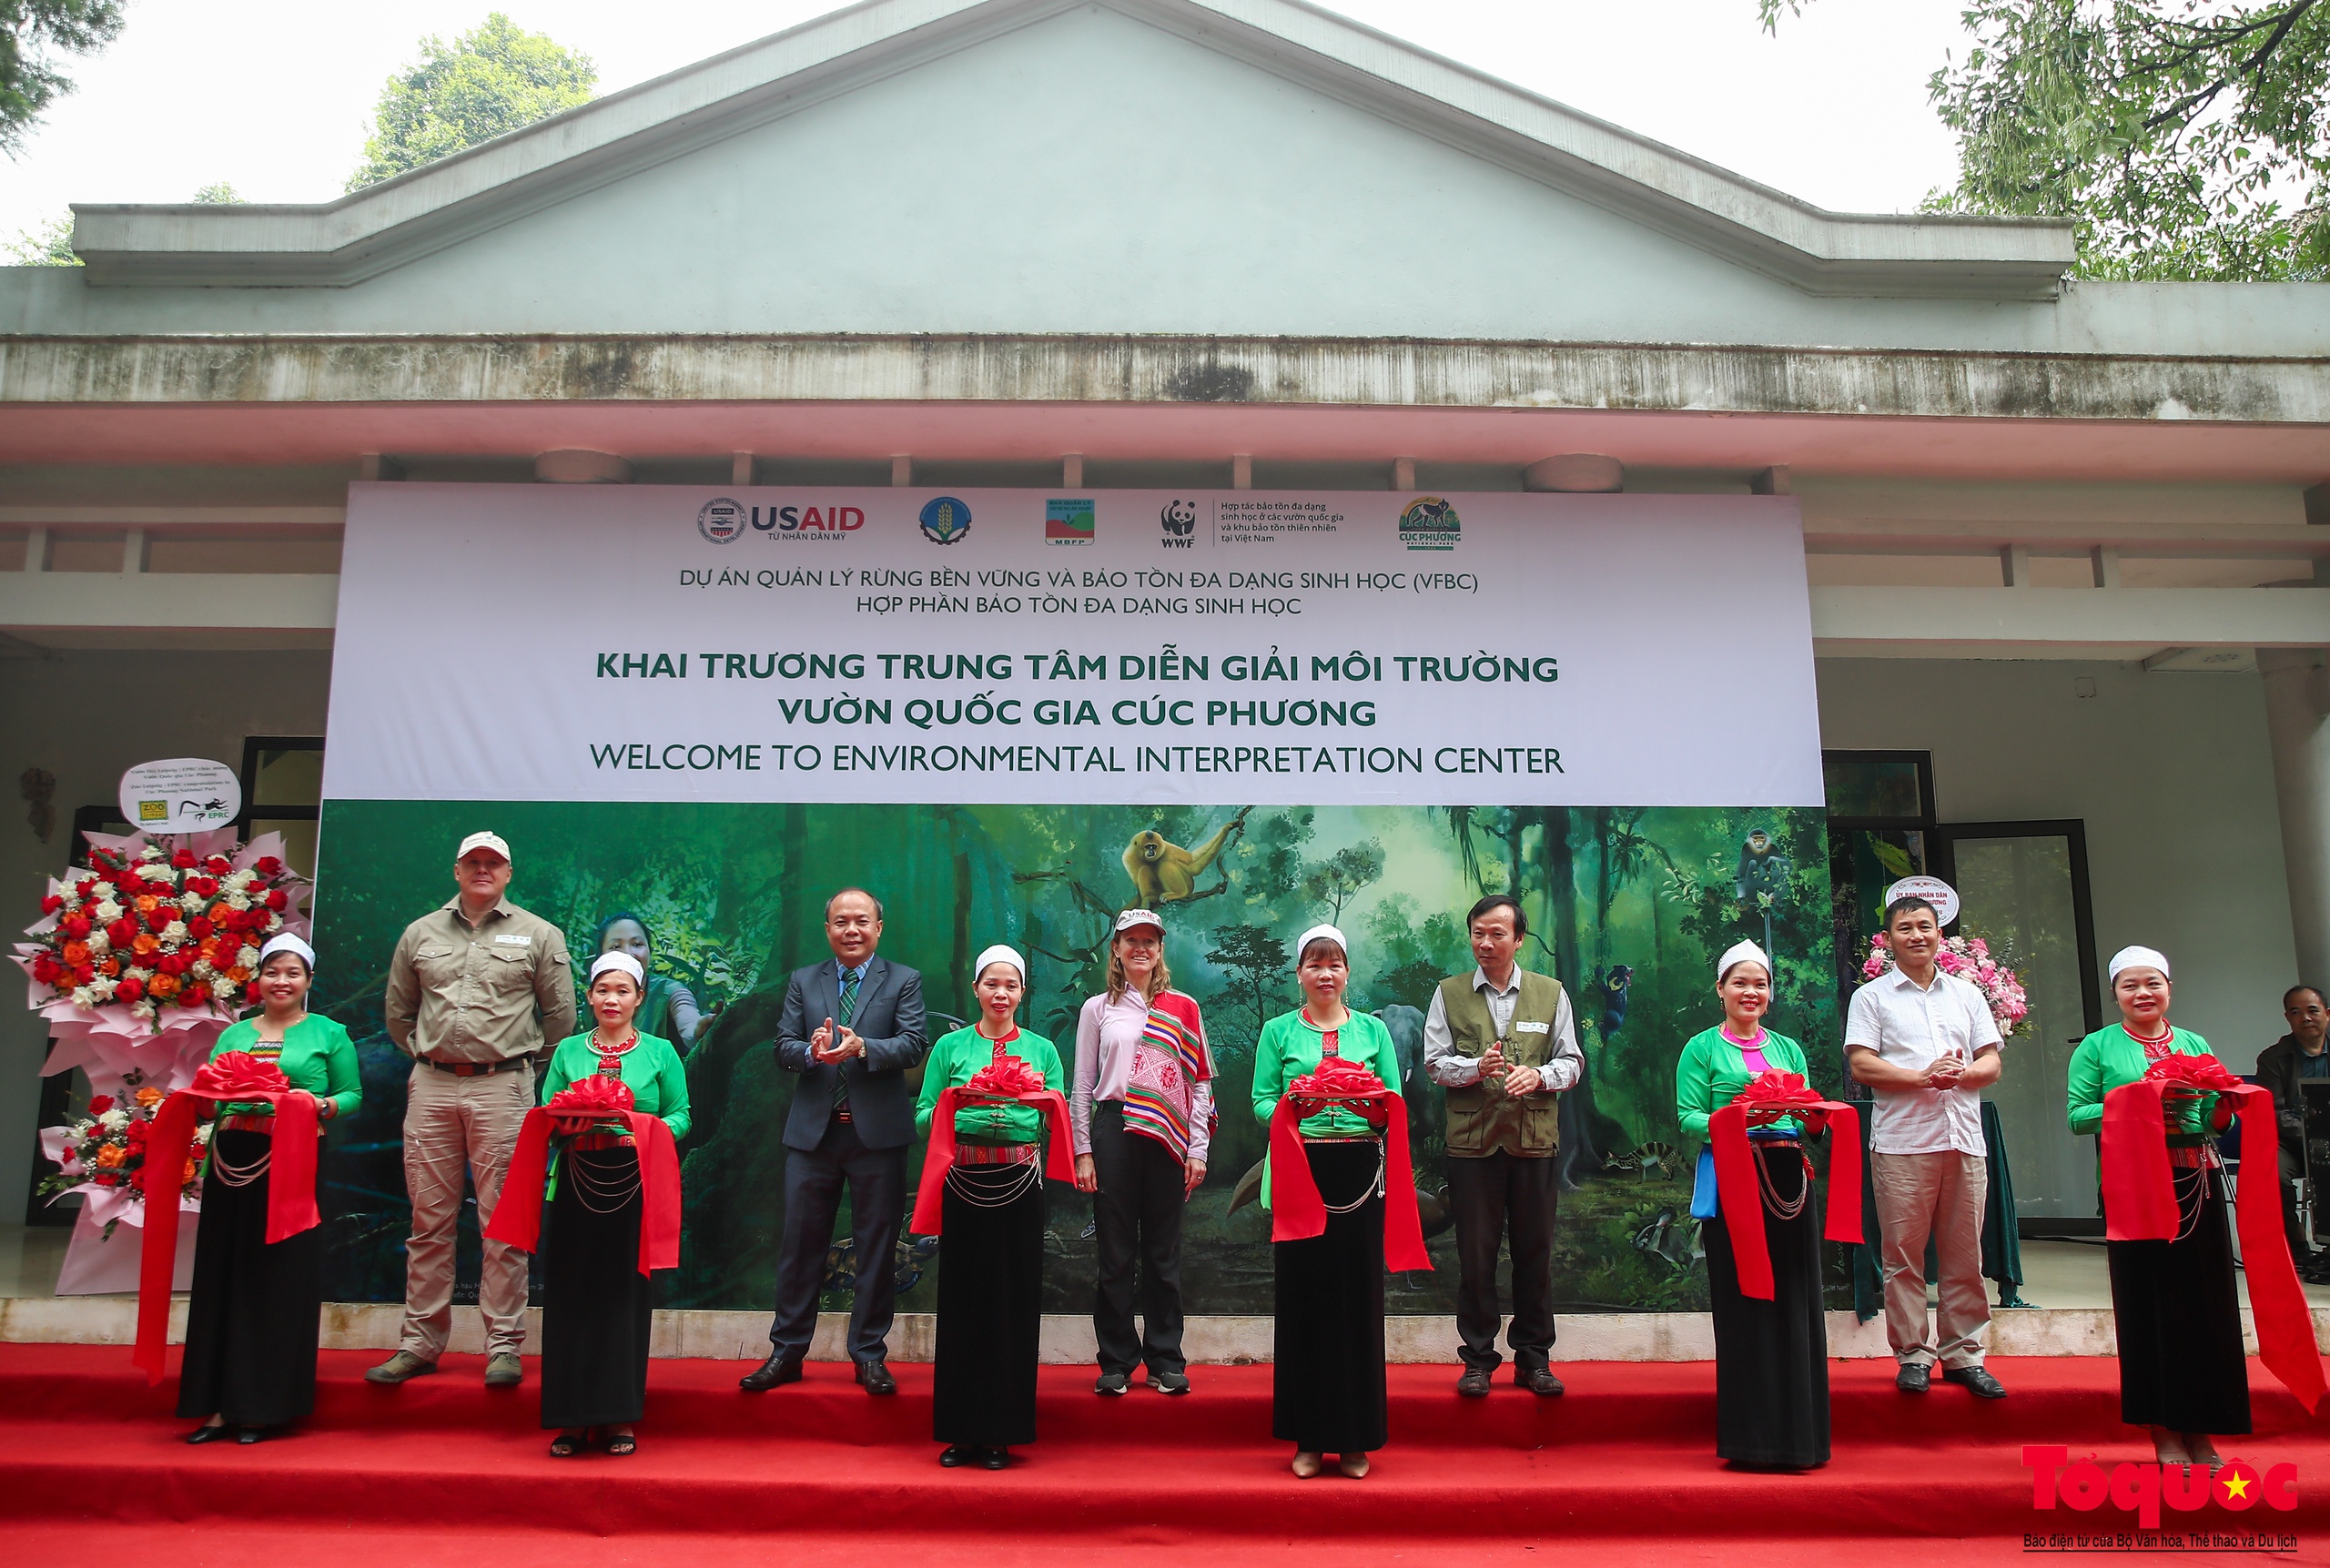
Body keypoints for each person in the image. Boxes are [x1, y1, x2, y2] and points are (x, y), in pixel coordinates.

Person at [370, 831, 575, 1388]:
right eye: (473, 863)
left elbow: (560, 1019)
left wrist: (520, 1067)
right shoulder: (421, 933)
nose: (483, 870)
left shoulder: (539, 933)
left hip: (503, 1087)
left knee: (503, 1223)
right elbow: (398, 1012)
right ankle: (419, 1343)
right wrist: (430, 1054)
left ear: (508, 873)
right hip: (432, 1087)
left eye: (494, 863)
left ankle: (503, 1345)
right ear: (457, 870)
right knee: (427, 1221)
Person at [743, 888, 929, 1395]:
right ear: (827, 929)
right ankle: (787, 1352)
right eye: (841, 921)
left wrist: (864, 1046)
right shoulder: (806, 981)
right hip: (813, 1136)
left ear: (878, 927)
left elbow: (914, 1044)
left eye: (862, 921)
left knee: (876, 1248)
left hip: (877, 1137)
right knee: (801, 1246)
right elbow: (782, 1046)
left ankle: (869, 1354)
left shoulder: (904, 980)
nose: (852, 929)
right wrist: (811, 1051)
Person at [2069, 946, 2246, 1470]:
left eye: (2152, 983)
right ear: (2115, 993)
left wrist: (2224, 1106)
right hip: (2134, 1184)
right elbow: (2079, 1116)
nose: (2142, 994)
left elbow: (2217, 1121)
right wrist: (2143, 1098)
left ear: (2169, 987)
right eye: (2130, 986)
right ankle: (2164, 1430)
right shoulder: (2097, 1047)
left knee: (2205, 1308)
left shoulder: (2194, 1042)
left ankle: (2203, 1428)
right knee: (2150, 1306)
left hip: (2197, 1179)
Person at [178, 934, 360, 1443]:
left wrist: (318, 1104)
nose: (281, 982)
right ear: (257, 979)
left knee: (276, 1277)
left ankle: (260, 1404)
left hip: (293, 1158)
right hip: (230, 1158)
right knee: (223, 1274)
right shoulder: (234, 1035)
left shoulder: (329, 1033)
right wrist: (204, 1100)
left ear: (308, 982)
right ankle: (215, 1405)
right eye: (272, 972)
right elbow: (210, 1097)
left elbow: (351, 1095)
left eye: (293, 973)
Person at [1253, 924, 1406, 1480]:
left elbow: (1392, 1100)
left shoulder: (1373, 1032)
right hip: (1300, 1166)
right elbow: (1260, 1100)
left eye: (1334, 964)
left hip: (1360, 1173)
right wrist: (1296, 1105)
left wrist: (1366, 1105)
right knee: (1304, 1302)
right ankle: (1310, 1439)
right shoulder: (1278, 1033)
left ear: (1347, 973)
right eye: (1314, 965)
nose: (1325, 974)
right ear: (1299, 975)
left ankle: (1357, 1438)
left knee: (1358, 1301)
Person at [1844, 895, 2008, 1400]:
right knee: (1903, 1257)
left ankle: (1963, 1355)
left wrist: (1959, 1075)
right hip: (1902, 1144)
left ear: (1940, 934)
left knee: (1964, 1256)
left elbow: (1991, 1064)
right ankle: (1913, 1354)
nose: (1917, 935)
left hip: (1963, 1139)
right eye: (1905, 928)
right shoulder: (1871, 998)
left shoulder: (1966, 994)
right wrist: (1922, 1077)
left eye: (1925, 926)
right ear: (1889, 939)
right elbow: (1862, 1066)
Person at [1676, 941, 1829, 1469]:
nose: (1751, 992)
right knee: (1745, 1300)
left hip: (1789, 1178)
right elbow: (1689, 1118)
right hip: (1735, 1177)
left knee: (1796, 1296)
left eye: (1760, 983)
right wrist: (1744, 1117)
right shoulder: (1701, 1049)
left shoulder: (1788, 1049)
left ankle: (1802, 1436)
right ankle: (1753, 1438)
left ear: (1770, 993)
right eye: (1739, 983)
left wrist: (1814, 1117)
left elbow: (1809, 1115)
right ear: (1720, 990)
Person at [1422, 893, 1581, 1398]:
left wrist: (1539, 1075)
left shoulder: (1551, 993)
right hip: (1472, 1147)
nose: (1486, 943)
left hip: (1534, 1144)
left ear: (1518, 938)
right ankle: (1478, 1358)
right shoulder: (1448, 994)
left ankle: (1534, 1358)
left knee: (1535, 1252)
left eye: (1497, 934)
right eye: (1477, 933)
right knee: (1475, 1254)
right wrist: (1474, 1068)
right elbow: (1433, 1062)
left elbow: (1572, 1062)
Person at [532, 951, 689, 1457]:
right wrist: (565, 1119)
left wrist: (640, 1127)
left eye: (623, 991)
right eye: (602, 990)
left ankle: (619, 1414)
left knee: (624, 1299)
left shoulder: (661, 1053)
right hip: (576, 1178)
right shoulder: (568, 1051)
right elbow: (546, 1110)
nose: (611, 999)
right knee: (572, 1297)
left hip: (633, 1182)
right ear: (590, 997)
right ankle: (571, 1418)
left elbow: (681, 1116)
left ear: (640, 998)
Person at [916, 945, 1065, 1468]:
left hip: (1020, 1180)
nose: (1000, 994)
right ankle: (960, 1431)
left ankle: (1002, 1430)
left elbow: (1056, 1114)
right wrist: (960, 1104)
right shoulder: (949, 1048)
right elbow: (923, 1114)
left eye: (1012, 986)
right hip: (963, 1178)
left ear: (1022, 993)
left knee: (1012, 1302)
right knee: (962, 1302)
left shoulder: (1043, 1050)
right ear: (975, 989)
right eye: (991, 984)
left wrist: (1030, 1101)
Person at [1069, 908, 1214, 1396]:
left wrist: (1198, 1149)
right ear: (1116, 947)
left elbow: (1200, 1084)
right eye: (1131, 940)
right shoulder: (1097, 1009)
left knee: (1163, 1251)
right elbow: (1084, 1086)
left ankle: (1165, 1358)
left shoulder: (1184, 1007)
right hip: (1114, 1131)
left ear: (1159, 950)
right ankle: (1114, 1360)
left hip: (1169, 1137)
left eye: (1149, 941)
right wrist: (1083, 1151)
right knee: (1114, 1252)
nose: (1140, 948)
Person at [2255, 984, 2327, 1274]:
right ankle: (2297, 1247)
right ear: (2287, 1017)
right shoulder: (2273, 1058)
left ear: (2327, 1014)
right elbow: (2272, 1110)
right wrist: (2310, 1133)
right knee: (2270, 1172)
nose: (2306, 1018)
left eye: (2313, 1010)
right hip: (2289, 1140)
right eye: (2296, 1012)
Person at [594, 913, 715, 1052]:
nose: (628, 953)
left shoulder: (670, 991)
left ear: (649, 952)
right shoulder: (595, 1000)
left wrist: (697, 1029)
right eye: (616, 946)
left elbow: (689, 1022)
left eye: (637, 944)